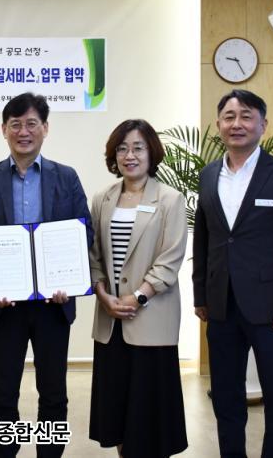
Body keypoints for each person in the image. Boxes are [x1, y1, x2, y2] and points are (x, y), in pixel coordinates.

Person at [0, 92, 92, 458]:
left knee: (53, 394)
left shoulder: (66, 177)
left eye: (32, 123)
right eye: (16, 124)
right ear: (3, 129)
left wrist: (67, 280)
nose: (24, 132)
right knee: (3, 395)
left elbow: (84, 233)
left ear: (45, 128)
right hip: (4, 307)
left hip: (54, 305)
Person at [193, 89, 273, 458]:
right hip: (221, 306)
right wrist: (201, 295)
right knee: (226, 397)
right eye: (229, 117)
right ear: (218, 124)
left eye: (246, 116)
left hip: (271, 308)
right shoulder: (208, 175)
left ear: (263, 124)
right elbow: (204, 239)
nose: (237, 124)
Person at [88, 119, 188, 458]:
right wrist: (103, 295)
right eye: (122, 149)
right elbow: (94, 255)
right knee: (117, 411)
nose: (129, 155)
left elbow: (170, 258)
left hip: (151, 318)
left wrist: (139, 296)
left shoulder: (170, 199)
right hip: (110, 320)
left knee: (149, 413)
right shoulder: (102, 199)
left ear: (151, 152)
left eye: (137, 148)